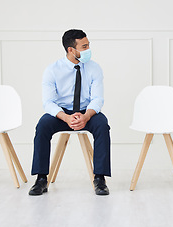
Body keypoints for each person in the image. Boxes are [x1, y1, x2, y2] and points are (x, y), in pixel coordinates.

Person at [29, 29, 111, 196]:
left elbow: (97, 99)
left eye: (88, 45)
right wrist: (66, 117)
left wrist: (86, 116)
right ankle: (41, 179)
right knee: (43, 125)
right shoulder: (52, 70)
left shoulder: (94, 68)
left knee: (102, 125)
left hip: (86, 112)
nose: (88, 50)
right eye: (84, 46)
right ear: (71, 50)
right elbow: (48, 102)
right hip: (62, 113)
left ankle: (100, 179)